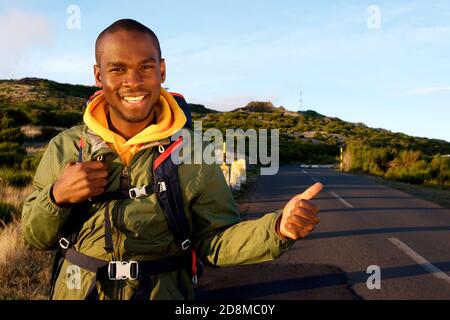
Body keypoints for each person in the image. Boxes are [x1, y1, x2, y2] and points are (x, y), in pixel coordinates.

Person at [21, 19, 323, 300]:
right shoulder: (66, 147)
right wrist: (56, 197)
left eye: (145, 67)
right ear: (99, 75)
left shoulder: (194, 152)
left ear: (161, 71)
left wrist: (277, 229)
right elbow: (35, 237)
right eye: (118, 69)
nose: (133, 82)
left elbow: (215, 242)